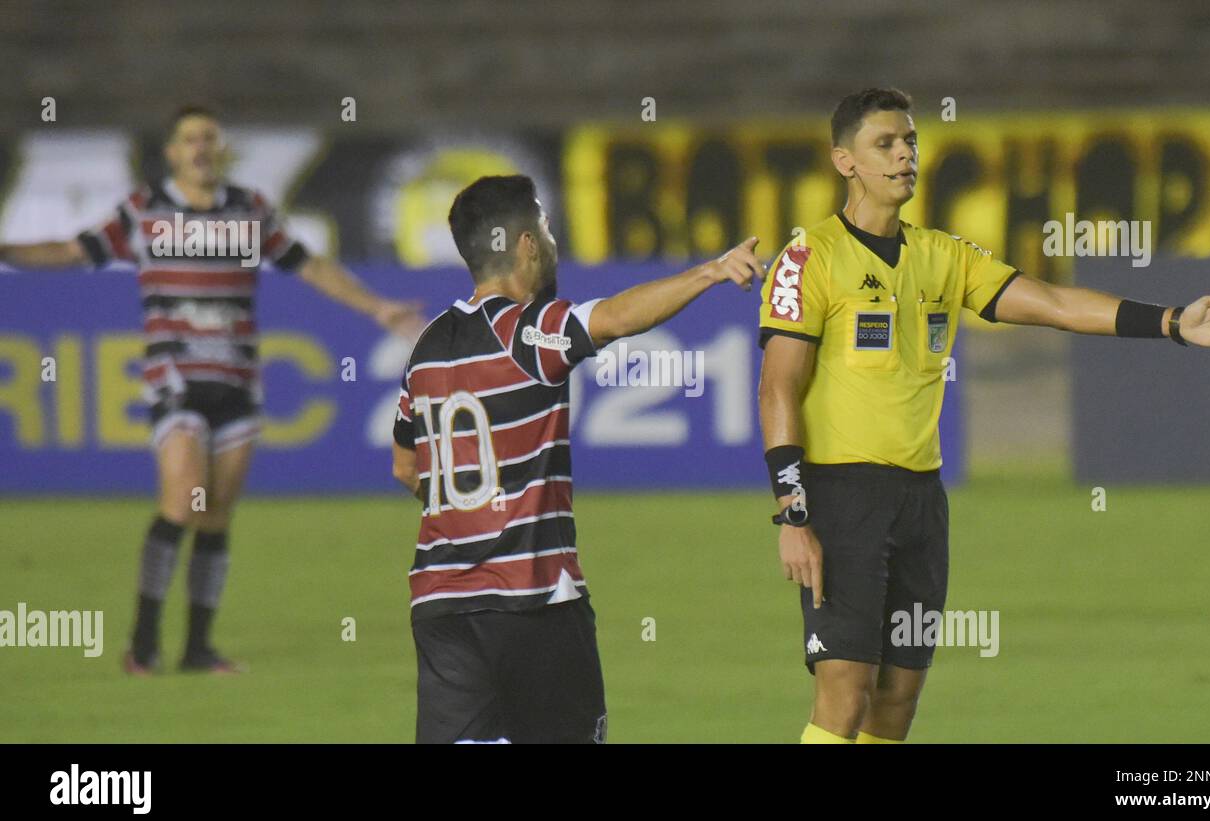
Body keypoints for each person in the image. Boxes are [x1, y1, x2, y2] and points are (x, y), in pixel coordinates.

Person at [756, 87, 1210, 744]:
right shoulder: (810, 259)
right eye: (885, 143)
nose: (904, 155)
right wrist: (792, 513)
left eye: (910, 141)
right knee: (845, 691)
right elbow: (778, 387)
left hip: (920, 500)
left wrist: (1172, 323)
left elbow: (1055, 302)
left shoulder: (943, 256)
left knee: (895, 703)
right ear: (843, 160)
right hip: (841, 497)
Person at [0, 105, 425, 674]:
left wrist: (378, 307)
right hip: (175, 381)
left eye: (208, 137)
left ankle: (198, 647)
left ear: (219, 149)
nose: (200, 146)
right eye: (189, 139)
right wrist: (7, 252)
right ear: (172, 152)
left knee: (217, 514)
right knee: (182, 499)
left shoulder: (247, 211)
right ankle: (143, 641)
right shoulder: (144, 210)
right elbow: (74, 251)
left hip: (238, 385)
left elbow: (308, 265)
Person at [390, 174, 762, 743]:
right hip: (533, 603)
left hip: (442, 606)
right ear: (525, 245)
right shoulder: (525, 330)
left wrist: (471, 515)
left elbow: (405, 466)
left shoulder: (426, 348)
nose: (550, 239)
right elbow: (612, 318)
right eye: (544, 225)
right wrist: (710, 272)